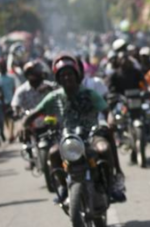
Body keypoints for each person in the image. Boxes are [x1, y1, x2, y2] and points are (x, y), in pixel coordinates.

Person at [23, 55, 126, 203]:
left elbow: (106, 110)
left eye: (69, 74)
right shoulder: (54, 97)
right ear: (58, 78)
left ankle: (111, 186)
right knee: (52, 153)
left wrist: (110, 121)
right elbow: (34, 113)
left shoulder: (90, 94)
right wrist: (24, 124)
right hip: (67, 138)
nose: (66, 78)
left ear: (76, 75)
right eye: (62, 75)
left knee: (104, 149)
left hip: (91, 135)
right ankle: (64, 187)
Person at [0, 61, 17, 143]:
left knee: (11, 118)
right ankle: (9, 134)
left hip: (10, 101)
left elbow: (14, 89)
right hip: (1, 102)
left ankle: (11, 134)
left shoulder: (11, 77)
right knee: (5, 119)